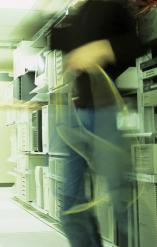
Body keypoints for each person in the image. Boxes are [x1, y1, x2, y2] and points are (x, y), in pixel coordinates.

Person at [50, 0, 146, 246]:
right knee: (69, 199)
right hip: (75, 112)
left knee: (120, 197)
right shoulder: (76, 12)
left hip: (108, 110)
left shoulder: (114, 6)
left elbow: (136, 45)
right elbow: (58, 44)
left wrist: (103, 48)